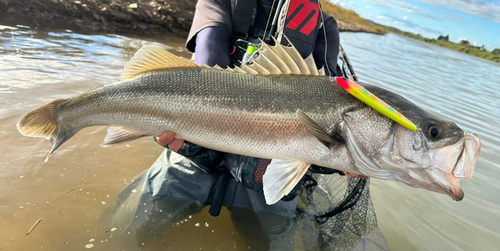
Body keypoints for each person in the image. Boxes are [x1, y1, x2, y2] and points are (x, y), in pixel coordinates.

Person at [100, 0, 384, 250]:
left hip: (266, 173)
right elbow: (208, 56)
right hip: (196, 152)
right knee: (120, 233)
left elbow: (325, 102)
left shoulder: (324, 25)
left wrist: (343, 154)